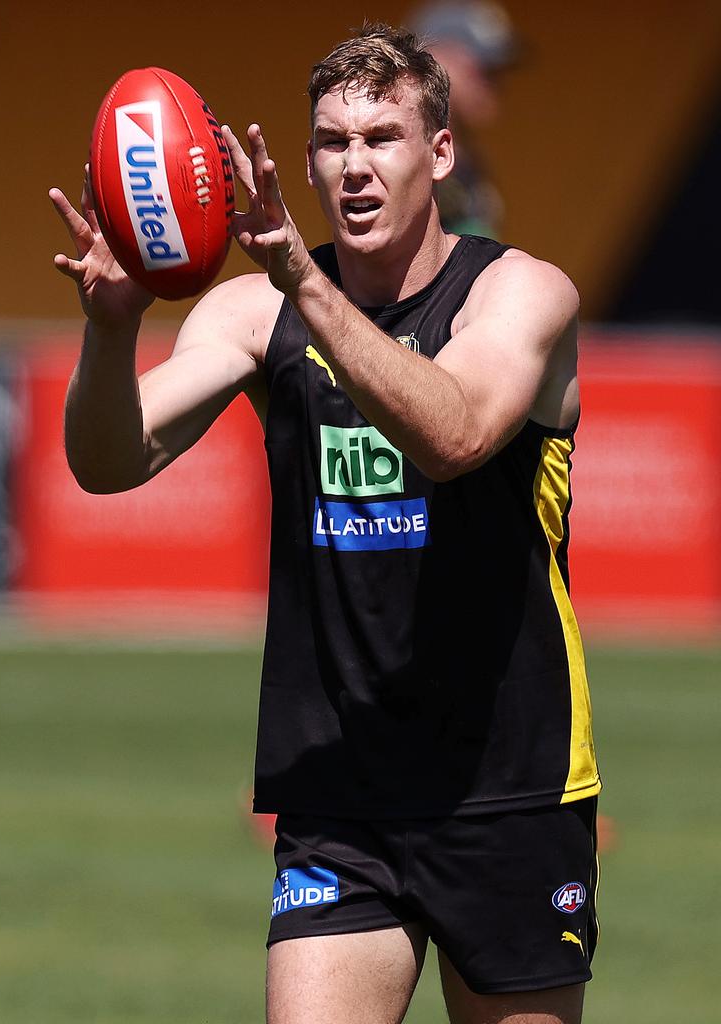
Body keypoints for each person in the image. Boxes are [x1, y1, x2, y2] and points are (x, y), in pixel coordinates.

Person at [50, 22, 600, 1024]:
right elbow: (107, 460)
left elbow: (457, 432)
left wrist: (305, 283)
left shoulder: (523, 293)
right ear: (301, 160)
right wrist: (113, 324)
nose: (354, 166)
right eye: (332, 142)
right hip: (340, 788)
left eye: (383, 138)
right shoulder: (256, 315)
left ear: (438, 154)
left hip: (511, 783)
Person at [409, 0, 517, 236]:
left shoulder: (464, 159)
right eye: (486, 69)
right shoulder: (407, 157)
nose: (497, 84)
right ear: (435, 57)